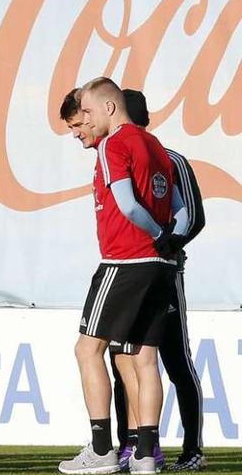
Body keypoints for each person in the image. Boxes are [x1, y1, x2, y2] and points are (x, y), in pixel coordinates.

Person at [58, 77, 188, 475]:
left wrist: (154, 234)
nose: (87, 121)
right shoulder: (156, 147)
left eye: (90, 113)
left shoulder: (114, 144)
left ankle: (101, 449)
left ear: (109, 109)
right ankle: (146, 455)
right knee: (144, 358)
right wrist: (170, 240)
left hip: (125, 261)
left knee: (87, 349)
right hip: (160, 266)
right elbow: (181, 209)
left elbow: (128, 205)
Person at [107, 89, 206, 472]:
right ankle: (129, 445)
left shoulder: (171, 160)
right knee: (124, 360)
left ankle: (192, 447)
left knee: (176, 360)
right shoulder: (119, 156)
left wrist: (168, 244)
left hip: (166, 273)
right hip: (131, 271)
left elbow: (194, 216)